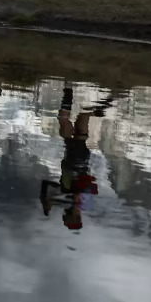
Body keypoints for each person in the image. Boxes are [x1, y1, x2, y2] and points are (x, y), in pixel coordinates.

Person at [40, 87, 117, 229]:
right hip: (75, 159)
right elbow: (78, 190)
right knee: (64, 121)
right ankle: (69, 93)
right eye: (67, 216)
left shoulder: (71, 202)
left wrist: (49, 203)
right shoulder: (79, 204)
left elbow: (50, 187)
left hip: (80, 158)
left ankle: (110, 100)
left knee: (83, 117)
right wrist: (52, 202)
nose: (65, 214)